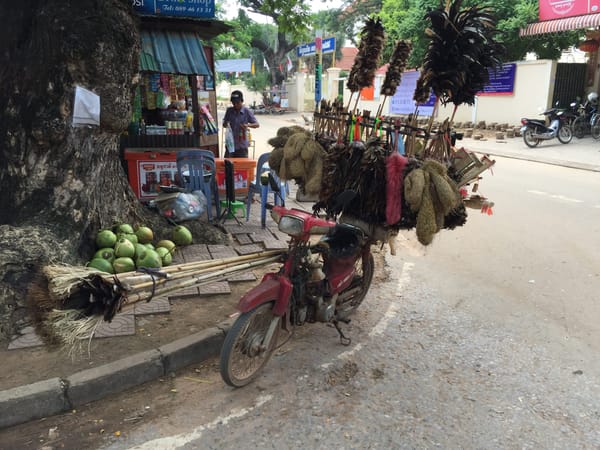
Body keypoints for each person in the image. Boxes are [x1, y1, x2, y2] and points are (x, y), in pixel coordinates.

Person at [222, 90, 259, 158]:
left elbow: (257, 124)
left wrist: (247, 125)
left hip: (241, 146)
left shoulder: (247, 111)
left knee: (242, 166)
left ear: (242, 101)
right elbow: (224, 125)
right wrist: (225, 123)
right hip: (230, 145)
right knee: (228, 166)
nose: (235, 105)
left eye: (237, 103)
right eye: (233, 103)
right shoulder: (229, 111)